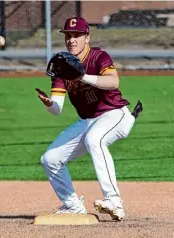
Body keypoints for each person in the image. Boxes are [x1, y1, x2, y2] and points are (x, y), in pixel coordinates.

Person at [35, 16, 142, 221]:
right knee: (50, 159)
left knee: (95, 139)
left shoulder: (98, 57)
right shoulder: (61, 65)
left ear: (87, 37)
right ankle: (72, 205)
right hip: (88, 121)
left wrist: (82, 76)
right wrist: (49, 103)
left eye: (77, 35)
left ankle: (114, 201)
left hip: (115, 114)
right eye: (68, 36)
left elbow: (112, 82)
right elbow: (58, 108)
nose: (71, 40)